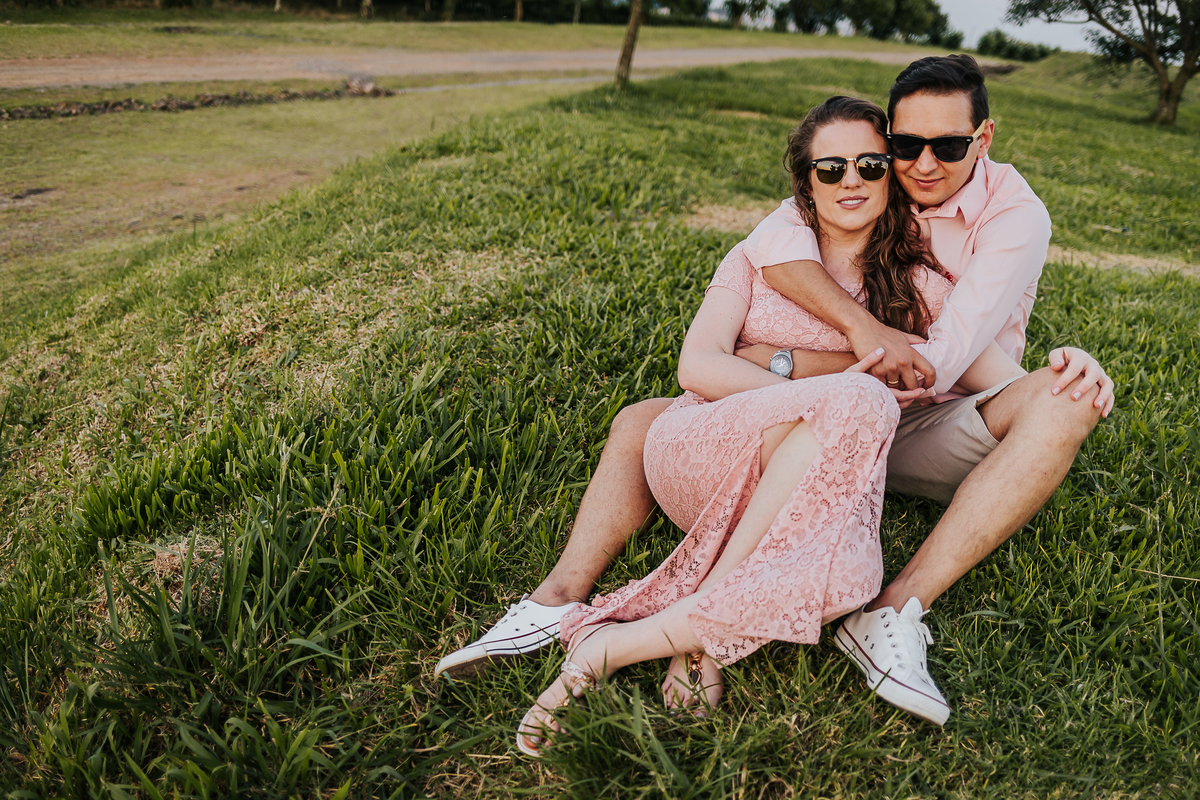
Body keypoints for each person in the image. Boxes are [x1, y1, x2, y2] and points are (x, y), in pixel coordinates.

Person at [436, 55, 1115, 727]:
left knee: (854, 471)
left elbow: (972, 372)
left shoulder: (932, 272)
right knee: (690, 416)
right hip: (734, 442)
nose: (859, 178)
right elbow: (699, 366)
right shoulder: (767, 246)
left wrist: (1061, 373)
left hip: (841, 450)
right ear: (806, 185)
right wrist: (820, 384)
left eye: (871, 164)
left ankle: (697, 632)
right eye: (835, 168)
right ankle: (562, 600)